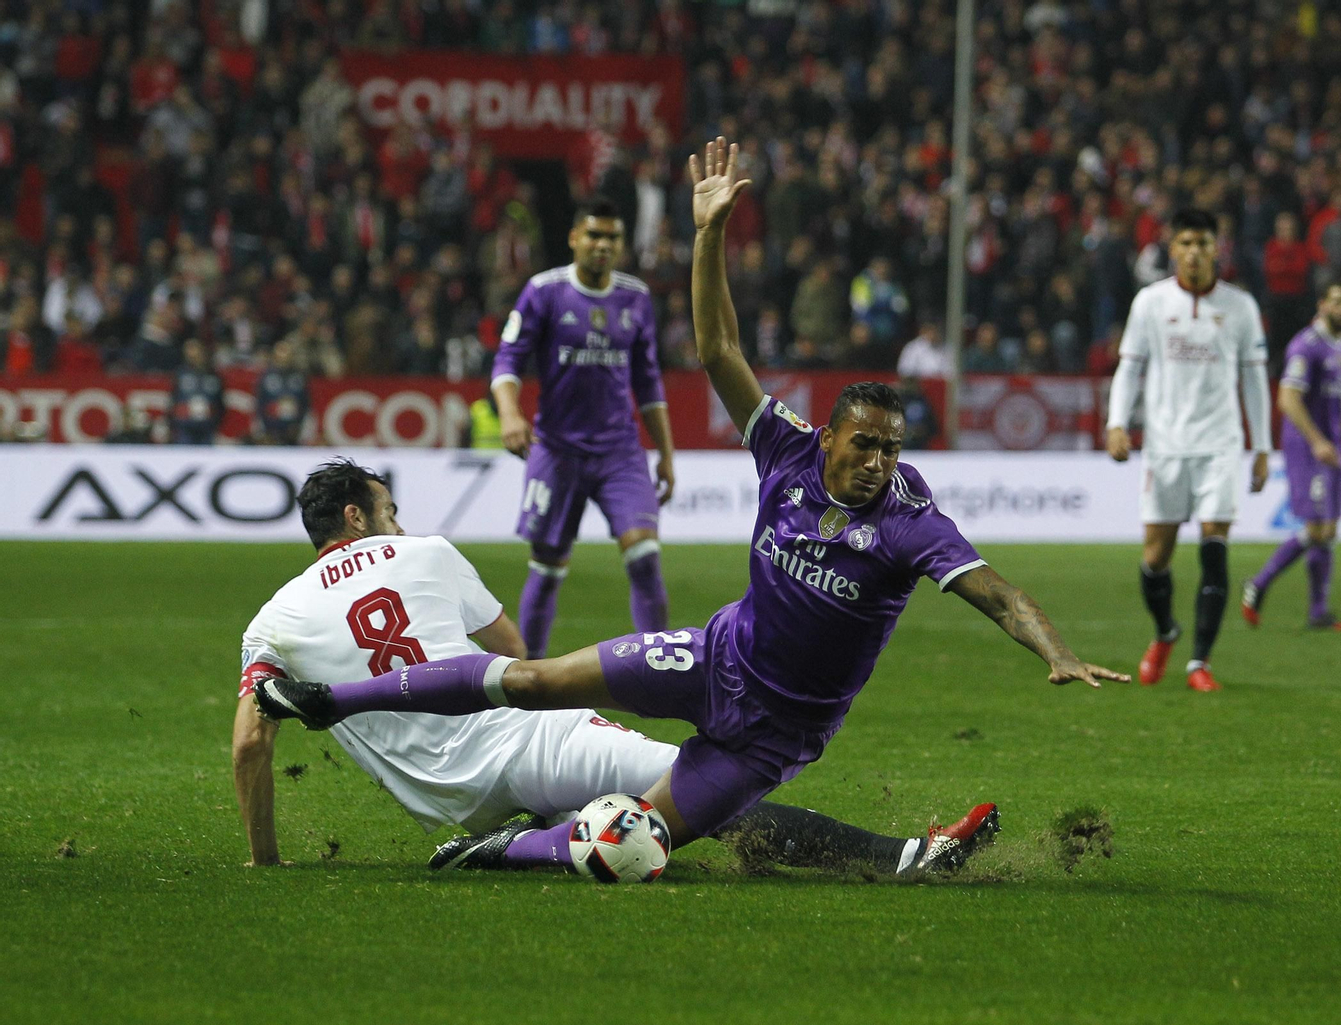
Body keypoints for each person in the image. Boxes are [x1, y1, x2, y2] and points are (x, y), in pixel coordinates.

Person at [255, 138, 1126, 873]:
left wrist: (1058, 651)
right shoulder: (785, 444)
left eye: (894, 448)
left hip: (774, 731)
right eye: (866, 444)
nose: (880, 462)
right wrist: (707, 232)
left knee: (639, 845)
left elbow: (1001, 594)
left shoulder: (907, 521)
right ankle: (336, 700)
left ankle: (493, 851)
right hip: (711, 656)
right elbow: (716, 345)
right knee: (534, 679)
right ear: (829, 436)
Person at [235, 459, 997, 876]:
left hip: (442, 800)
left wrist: (266, 861)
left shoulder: (272, 621)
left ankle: (528, 832)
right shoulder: (425, 552)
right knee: (706, 797)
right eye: (388, 508)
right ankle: (904, 857)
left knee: (605, 808)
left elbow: (249, 746)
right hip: (524, 743)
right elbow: (513, 655)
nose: (398, 521)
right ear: (360, 517)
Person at [491, 199, 677, 658]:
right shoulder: (544, 291)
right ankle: (528, 677)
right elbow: (508, 359)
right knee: (548, 566)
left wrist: (667, 453)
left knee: (645, 557)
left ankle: (659, 673)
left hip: (620, 452)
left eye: (612, 237)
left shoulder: (635, 297)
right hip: (556, 451)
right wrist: (511, 415)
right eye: (594, 235)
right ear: (574, 238)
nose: (602, 245)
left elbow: (648, 379)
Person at [1104, 208, 1272, 693]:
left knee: (1215, 541)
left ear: (1216, 247)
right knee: (1156, 555)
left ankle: (1199, 661)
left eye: (1202, 242)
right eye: (1185, 243)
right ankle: (1165, 632)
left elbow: (1255, 377)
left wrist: (1262, 446)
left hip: (1220, 443)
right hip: (1166, 445)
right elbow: (1130, 368)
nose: (1194, 251)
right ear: (1172, 249)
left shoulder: (1240, 306)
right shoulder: (1150, 303)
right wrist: (1117, 423)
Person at [1242, 282, 1341, 632]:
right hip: (1308, 448)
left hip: (1332, 449)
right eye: (1336, 301)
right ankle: (1259, 584)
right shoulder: (1305, 347)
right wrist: (1317, 441)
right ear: (1322, 304)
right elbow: (1287, 399)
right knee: (1316, 527)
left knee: (1329, 528)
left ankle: (1318, 611)